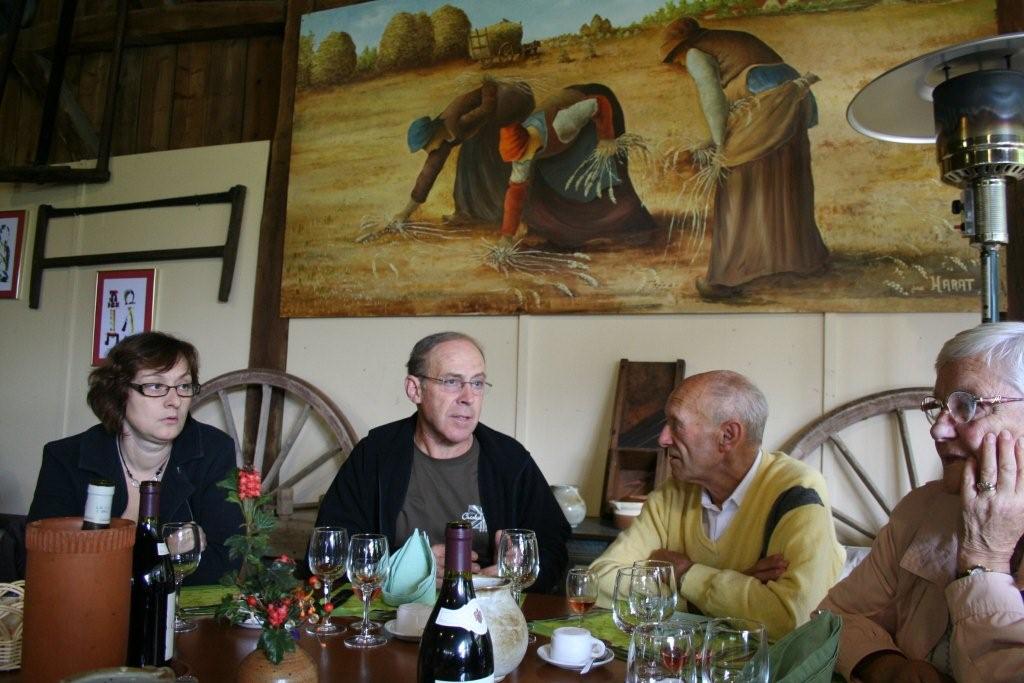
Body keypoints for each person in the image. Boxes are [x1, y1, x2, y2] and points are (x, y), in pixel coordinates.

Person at [819, 323, 1024, 682]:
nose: (938, 430)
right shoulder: (922, 509)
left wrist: (984, 562)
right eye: (939, 406)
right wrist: (886, 665)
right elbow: (834, 618)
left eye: (968, 406)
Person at [590, 370, 844, 639]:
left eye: (676, 424)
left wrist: (687, 573)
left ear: (728, 436)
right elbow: (600, 580)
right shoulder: (672, 494)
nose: (663, 438)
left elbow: (794, 620)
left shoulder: (796, 492)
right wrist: (726, 585)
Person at [315, 331, 570, 592]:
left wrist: (521, 569)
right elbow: (330, 552)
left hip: (484, 618)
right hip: (391, 618)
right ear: (415, 390)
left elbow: (556, 550)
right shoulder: (375, 456)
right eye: (451, 381)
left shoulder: (510, 460)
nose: (468, 397)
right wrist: (404, 569)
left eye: (478, 383)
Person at [27, 331, 242, 585]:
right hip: (87, 613)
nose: (174, 401)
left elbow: (224, 564)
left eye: (183, 386)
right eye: (155, 386)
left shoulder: (214, 450)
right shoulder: (66, 458)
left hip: (176, 619)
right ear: (119, 393)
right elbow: (43, 562)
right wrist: (163, 554)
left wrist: (113, 567)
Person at [660, 18, 829, 300]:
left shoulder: (695, 53)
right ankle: (803, 260)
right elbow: (734, 107)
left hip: (770, 105)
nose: (677, 64)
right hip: (792, 102)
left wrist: (718, 147)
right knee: (785, 176)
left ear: (679, 48)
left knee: (737, 180)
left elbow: (711, 97)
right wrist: (713, 139)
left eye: (672, 58)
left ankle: (727, 277)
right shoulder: (729, 41)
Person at [497, 83, 658, 247]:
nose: (521, 160)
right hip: (564, 141)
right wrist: (507, 236)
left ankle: (620, 222)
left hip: (596, 110)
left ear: (530, 143)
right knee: (553, 183)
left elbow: (600, 102)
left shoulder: (561, 124)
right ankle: (574, 230)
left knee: (602, 172)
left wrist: (606, 137)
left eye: (522, 155)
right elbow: (516, 192)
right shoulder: (522, 155)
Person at [391, 76, 535, 229]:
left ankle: (502, 212)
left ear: (434, 134)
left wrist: (489, 84)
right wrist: (405, 212)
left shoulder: (458, 122)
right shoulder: (442, 140)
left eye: (425, 145)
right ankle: (469, 212)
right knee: (469, 157)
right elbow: (429, 172)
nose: (426, 150)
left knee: (483, 155)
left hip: (515, 101)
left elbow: (487, 108)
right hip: (490, 117)